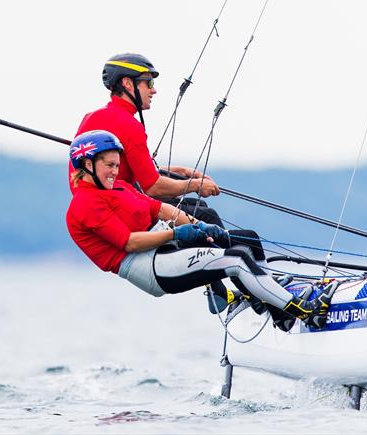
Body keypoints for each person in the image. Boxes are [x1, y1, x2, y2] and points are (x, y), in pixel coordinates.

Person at [65, 130, 337, 330]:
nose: (115, 171)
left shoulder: (121, 188)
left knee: (246, 240)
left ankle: (278, 311)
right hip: (148, 266)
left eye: (116, 165)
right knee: (237, 261)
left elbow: (161, 210)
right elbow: (130, 243)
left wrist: (199, 227)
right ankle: (303, 311)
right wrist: (176, 234)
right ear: (87, 165)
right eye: (109, 166)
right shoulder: (84, 205)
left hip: (165, 246)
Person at [71, 52, 222, 227]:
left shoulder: (91, 117)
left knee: (196, 206)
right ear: (127, 84)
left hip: (97, 206)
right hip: (116, 209)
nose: (154, 90)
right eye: (148, 82)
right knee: (207, 215)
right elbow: (152, 187)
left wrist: (179, 172)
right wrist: (195, 185)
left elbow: (131, 172)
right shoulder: (129, 124)